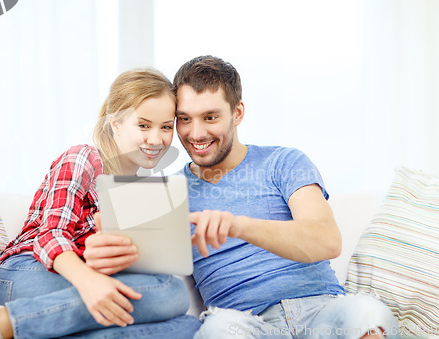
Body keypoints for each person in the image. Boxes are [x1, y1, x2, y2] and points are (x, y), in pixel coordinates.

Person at [87, 56, 400, 339]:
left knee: (368, 313)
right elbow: (139, 269)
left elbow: (326, 240)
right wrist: (100, 255)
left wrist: (237, 226)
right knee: (217, 331)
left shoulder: (284, 162)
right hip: (243, 324)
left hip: (323, 313)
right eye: (184, 119)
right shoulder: (168, 193)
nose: (195, 134)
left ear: (237, 113)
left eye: (210, 117)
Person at [0, 68, 201, 339]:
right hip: (24, 273)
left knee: (190, 327)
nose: (156, 139)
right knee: (169, 292)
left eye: (166, 127)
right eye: (143, 125)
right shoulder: (83, 158)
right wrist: (89, 282)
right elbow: (49, 237)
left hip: (68, 288)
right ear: (116, 123)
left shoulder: (141, 191)